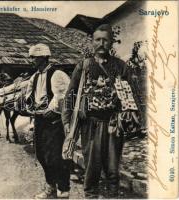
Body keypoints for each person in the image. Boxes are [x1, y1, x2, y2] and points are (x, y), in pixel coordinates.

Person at [62, 24, 135, 198]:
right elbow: (71, 94)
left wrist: (127, 118)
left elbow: (131, 96)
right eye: (98, 40)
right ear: (92, 42)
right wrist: (67, 121)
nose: (101, 43)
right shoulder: (84, 66)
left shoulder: (120, 66)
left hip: (113, 125)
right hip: (90, 125)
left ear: (111, 42)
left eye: (105, 40)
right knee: (91, 169)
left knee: (112, 170)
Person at [25, 44, 71, 199]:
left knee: (56, 156)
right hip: (40, 119)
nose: (31, 61)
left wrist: (52, 109)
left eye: (34, 58)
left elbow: (63, 95)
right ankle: (50, 185)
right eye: (31, 57)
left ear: (44, 57)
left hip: (54, 121)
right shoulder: (35, 76)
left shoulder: (56, 74)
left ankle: (63, 188)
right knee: (41, 155)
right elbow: (29, 94)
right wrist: (30, 104)